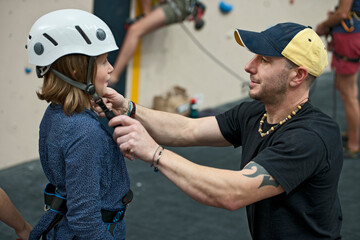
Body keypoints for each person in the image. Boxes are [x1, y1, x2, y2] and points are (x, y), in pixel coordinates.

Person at [94, 22, 344, 239]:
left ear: (298, 76)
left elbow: (231, 193)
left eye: (264, 60)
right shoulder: (256, 113)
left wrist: (155, 153)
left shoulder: (311, 137)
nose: (249, 66)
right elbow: (187, 130)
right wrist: (128, 108)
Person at [26, 9, 131, 239]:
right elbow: (84, 221)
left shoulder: (56, 114)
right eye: (103, 61)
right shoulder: (84, 132)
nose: (111, 68)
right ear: (76, 72)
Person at [110, 0, 198, 84]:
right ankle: (146, 14)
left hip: (180, 5)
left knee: (135, 31)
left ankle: (114, 77)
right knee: (136, 29)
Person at [316, 0, 360, 158]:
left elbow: (342, 13)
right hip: (352, 36)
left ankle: (354, 143)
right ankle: (353, 134)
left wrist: (324, 25)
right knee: (348, 91)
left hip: (349, 37)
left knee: (349, 94)